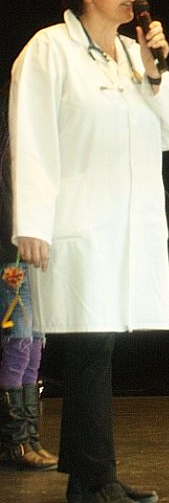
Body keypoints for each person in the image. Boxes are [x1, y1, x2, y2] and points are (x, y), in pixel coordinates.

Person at [9, 0, 169, 502]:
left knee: (101, 348)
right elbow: (32, 138)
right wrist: (31, 222)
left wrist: (156, 71)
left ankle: (93, 478)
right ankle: (93, 481)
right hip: (78, 225)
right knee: (89, 348)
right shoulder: (49, 49)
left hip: (127, 228)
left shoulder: (136, 56)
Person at [0, 82, 58, 471]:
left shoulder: (35, 145)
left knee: (35, 343)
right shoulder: (12, 146)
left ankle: (30, 437)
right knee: (19, 343)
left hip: (34, 258)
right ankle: (15, 441)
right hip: (12, 258)